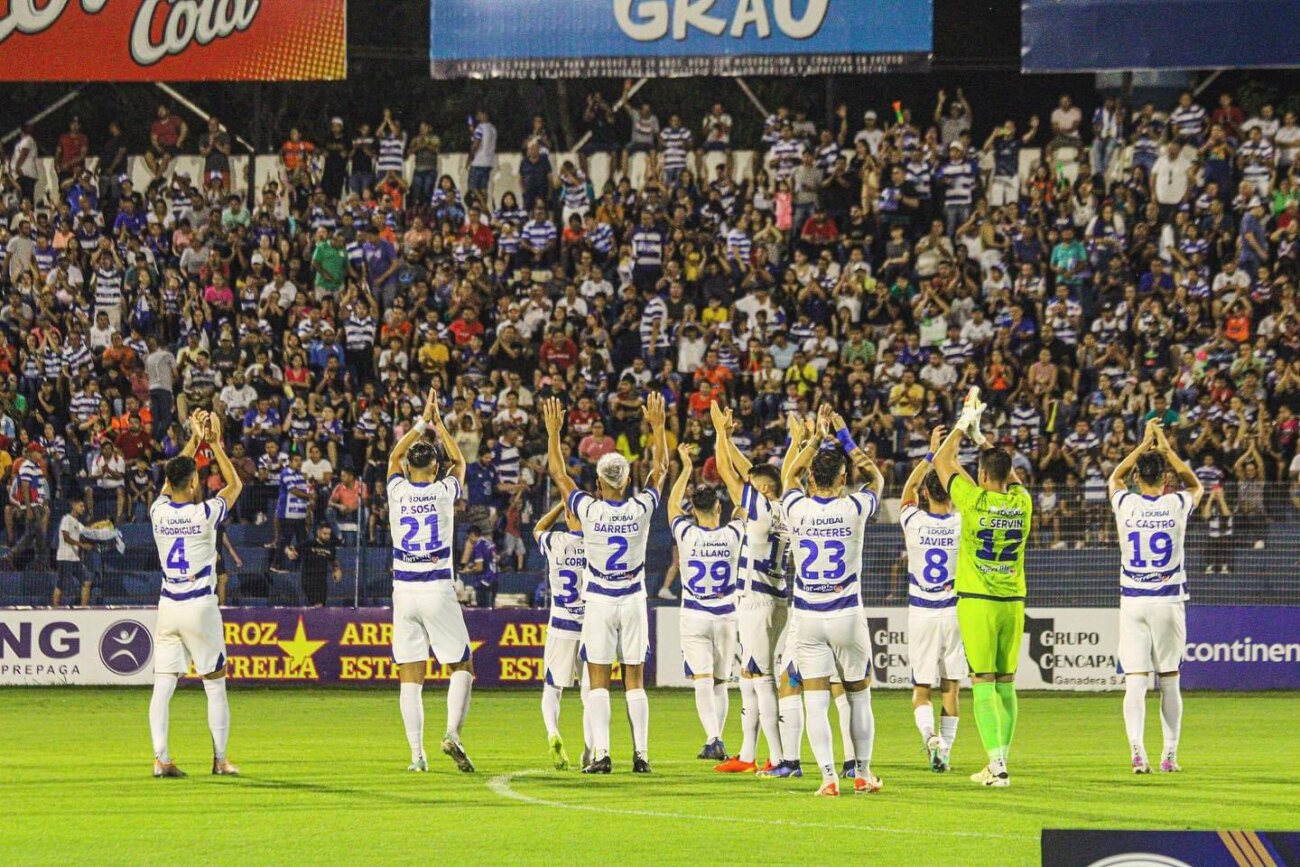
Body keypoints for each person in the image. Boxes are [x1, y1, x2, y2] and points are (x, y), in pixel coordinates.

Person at [542, 392, 669, 775]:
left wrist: (553, 432)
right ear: (628, 479)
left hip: (598, 600)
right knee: (634, 679)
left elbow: (559, 475)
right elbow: (661, 468)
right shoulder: (641, 507)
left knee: (598, 679)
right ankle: (642, 755)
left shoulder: (589, 509)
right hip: (632, 599)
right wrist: (658, 428)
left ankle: (601, 754)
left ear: (598, 484)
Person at [780, 405, 885, 797]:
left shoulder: (795, 506)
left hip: (808, 616)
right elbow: (876, 477)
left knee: (816, 700)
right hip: (846, 614)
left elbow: (787, 475)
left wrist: (813, 440)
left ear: (811, 477)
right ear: (843, 478)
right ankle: (862, 773)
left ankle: (828, 778)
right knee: (859, 694)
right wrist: (844, 437)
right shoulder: (854, 507)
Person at [932, 388, 1033, 788]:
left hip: (978, 601)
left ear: (983, 476)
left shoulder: (972, 500)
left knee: (983, 682)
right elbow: (1009, 473)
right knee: (1006, 683)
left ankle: (997, 764)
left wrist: (964, 420)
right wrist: (981, 439)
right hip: (1013, 601)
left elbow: (942, 461)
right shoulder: (1023, 502)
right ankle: (999, 760)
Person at [148, 410, 243, 778]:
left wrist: (193, 440)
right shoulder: (204, 513)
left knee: (163, 685)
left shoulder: (157, 511)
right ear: (192, 486)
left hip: (168, 606)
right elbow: (234, 487)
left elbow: (172, 479)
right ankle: (220, 760)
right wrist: (214, 445)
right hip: (200, 605)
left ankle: (161, 758)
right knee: (215, 684)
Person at [1108, 420, 1203, 774]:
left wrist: (1142, 443)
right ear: (1165, 480)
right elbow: (1195, 484)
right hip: (1167, 601)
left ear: (1137, 479)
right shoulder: (1177, 503)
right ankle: (1169, 755)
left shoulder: (1126, 504)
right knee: (1169, 679)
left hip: (1133, 601)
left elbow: (1115, 478)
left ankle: (1137, 752)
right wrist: (1163, 447)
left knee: (1135, 681)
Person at [708, 402, 798, 776]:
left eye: (752, 488)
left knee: (761, 678)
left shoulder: (760, 511)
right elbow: (766, 476)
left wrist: (720, 436)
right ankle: (747, 753)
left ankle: (780, 759)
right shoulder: (789, 508)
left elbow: (729, 473)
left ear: (762, 491)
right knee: (750, 674)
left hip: (755, 600)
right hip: (776, 597)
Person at [388, 387, 474, 773]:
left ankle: (415, 756)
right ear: (436, 469)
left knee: (410, 677)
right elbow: (461, 461)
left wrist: (421, 421)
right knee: (462, 666)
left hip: (404, 591)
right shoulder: (443, 491)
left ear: (409, 468)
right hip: (437, 586)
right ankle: (452, 733)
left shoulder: (397, 489)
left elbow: (393, 455)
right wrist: (440, 427)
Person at [668, 442, 742, 762]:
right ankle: (716, 739)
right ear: (720, 509)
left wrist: (685, 467)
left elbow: (671, 505)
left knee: (702, 678)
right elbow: (744, 503)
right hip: (726, 614)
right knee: (721, 680)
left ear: (693, 511)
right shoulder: (733, 534)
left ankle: (714, 738)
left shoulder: (685, 533)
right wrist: (725, 444)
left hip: (695, 614)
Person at [899, 425, 965, 773]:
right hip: (954, 612)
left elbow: (907, 488)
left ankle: (930, 739)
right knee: (950, 687)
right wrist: (950, 460)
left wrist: (932, 453)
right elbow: (970, 491)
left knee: (921, 687)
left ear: (926, 493)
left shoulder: (913, 520)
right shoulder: (962, 522)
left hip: (922, 612)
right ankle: (947, 751)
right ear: (951, 495)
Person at [533, 501, 590, 770]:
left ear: (568, 515)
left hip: (561, 625)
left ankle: (553, 732)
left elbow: (538, 528)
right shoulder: (598, 544)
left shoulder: (556, 541)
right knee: (591, 693)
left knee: (552, 688)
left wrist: (560, 504)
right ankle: (591, 752)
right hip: (591, 626)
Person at [53, 499, 94, 607]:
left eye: (84, 507)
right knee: (60, 586)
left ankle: (83, 610)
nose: (83, 508)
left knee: (87, 582)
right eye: (81, 506)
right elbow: (66, 537)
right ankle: (55, 610)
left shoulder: (77, 523)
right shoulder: (66, 519)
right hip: (65, 558)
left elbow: (88, 531)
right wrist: (81, 545)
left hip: (75, 559)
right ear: (73, 505)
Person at [290, 524, 341, 608]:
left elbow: (333, 561)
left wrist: (337, 570)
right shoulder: (309, 544)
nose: (327, 536)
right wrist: (290, 553)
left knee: (320, 607)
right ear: (318, 532)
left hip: (322, 582)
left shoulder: (330, 547)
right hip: (309, 579)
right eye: (325, 534)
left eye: (329, 534)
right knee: (318, 605)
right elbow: (291, 549)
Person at [460, 526, 498, 609]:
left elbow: (479, 568)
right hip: (494, 580)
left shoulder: (478, 546)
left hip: (484, 581)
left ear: (472, 535)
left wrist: (468, 571)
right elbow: (488, 560)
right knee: (492, 611)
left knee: (483, 612)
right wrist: (472, 564)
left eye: (469, 537)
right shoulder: (490, 543)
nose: (469, 540)